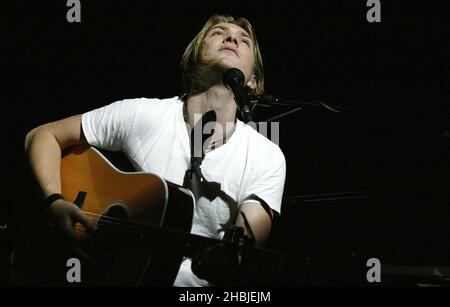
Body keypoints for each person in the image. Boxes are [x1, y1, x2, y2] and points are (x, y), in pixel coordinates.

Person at [24, 15, 286, 287]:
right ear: (195, 57)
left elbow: (245, 247)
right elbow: (43, 135)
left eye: (243, 41)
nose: (232, 38)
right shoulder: (143, 115)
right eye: (218, 33)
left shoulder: (265, 154)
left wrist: (231, 261)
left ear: (253, 81)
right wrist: (54, 200)